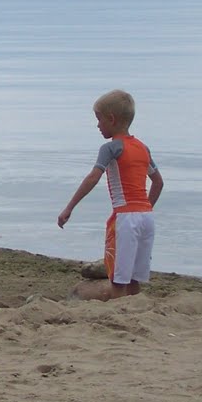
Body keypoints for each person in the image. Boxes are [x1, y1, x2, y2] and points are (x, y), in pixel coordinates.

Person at [57, 89, 163, 301]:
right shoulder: (143, 148)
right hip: (147, 218)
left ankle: (119, 311)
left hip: (125, 218)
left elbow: (93, 178)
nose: (97, 125)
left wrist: (69, 207)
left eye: (99, 120)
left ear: (111, 119)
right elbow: (158, 183)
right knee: (134, 279)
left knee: (118, 279)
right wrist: (145, 207)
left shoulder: (110, 148)